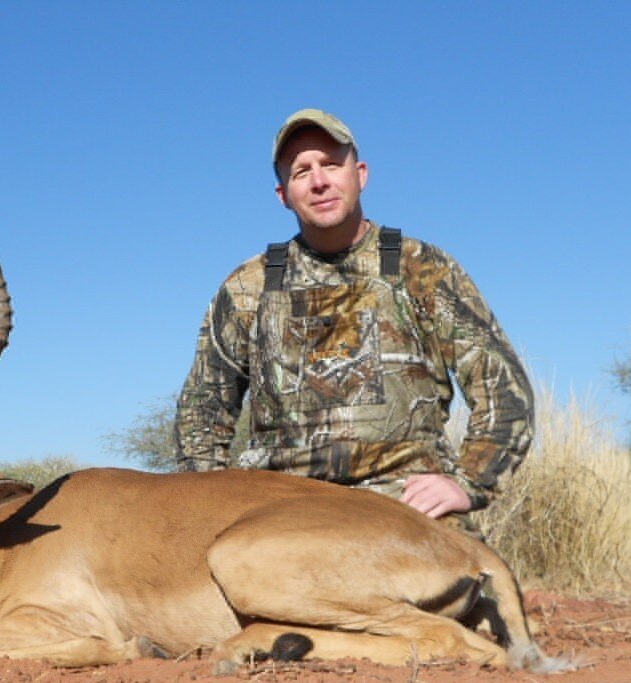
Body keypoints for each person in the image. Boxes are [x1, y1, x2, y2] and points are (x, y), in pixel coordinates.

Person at [174, 108, 533, 519]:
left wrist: (469, 482)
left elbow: (503, 388)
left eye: (331, 164)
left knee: (474, 578)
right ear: (283, 194)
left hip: (408, 507)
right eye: (301, 171)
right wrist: (209, 514)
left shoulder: (422, 267)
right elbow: (202, 411)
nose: (320, 181)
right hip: (279, 512)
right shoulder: (249, 285)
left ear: (360, 174)